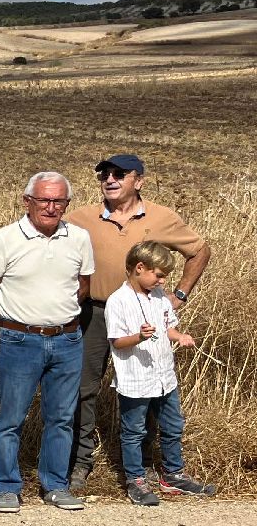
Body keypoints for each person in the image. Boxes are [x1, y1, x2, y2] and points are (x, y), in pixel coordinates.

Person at [64, 153, 211, 493]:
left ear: (139, 181)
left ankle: (143, 465)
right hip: (94, 314)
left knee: (148, 386)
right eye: (104, 175)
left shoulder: (161, 217)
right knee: (84, 389)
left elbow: (200, 251)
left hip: (144, 313)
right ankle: (81, 461)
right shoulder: (80, 218)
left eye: (119, 174)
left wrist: (179, 295)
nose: (110, 180)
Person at [0, 172, 95, 513]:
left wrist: (58, 315)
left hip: (67, 340)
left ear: (66, 205)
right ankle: (7, 487)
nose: (51, 207)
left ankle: (55, 485)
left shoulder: (79, 239)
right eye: (44, 199)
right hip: (19, 341)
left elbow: (83, 285)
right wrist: (11, 322)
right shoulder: (5, 239)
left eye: (59, 201)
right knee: (11, 418)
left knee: (60, 416)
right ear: (27, 201)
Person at [106, 241, 215, 503]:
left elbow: (168, 326)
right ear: (139, 268)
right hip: (135, 378)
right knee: (134, 430)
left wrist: (180, 336)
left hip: (164, 376)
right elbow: (117, 341)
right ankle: (136, 479)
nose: (163, 280)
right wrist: (139, 337)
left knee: (172, 425)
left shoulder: (159, 297)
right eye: (159, 274)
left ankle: (173, 475)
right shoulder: (117, 301)